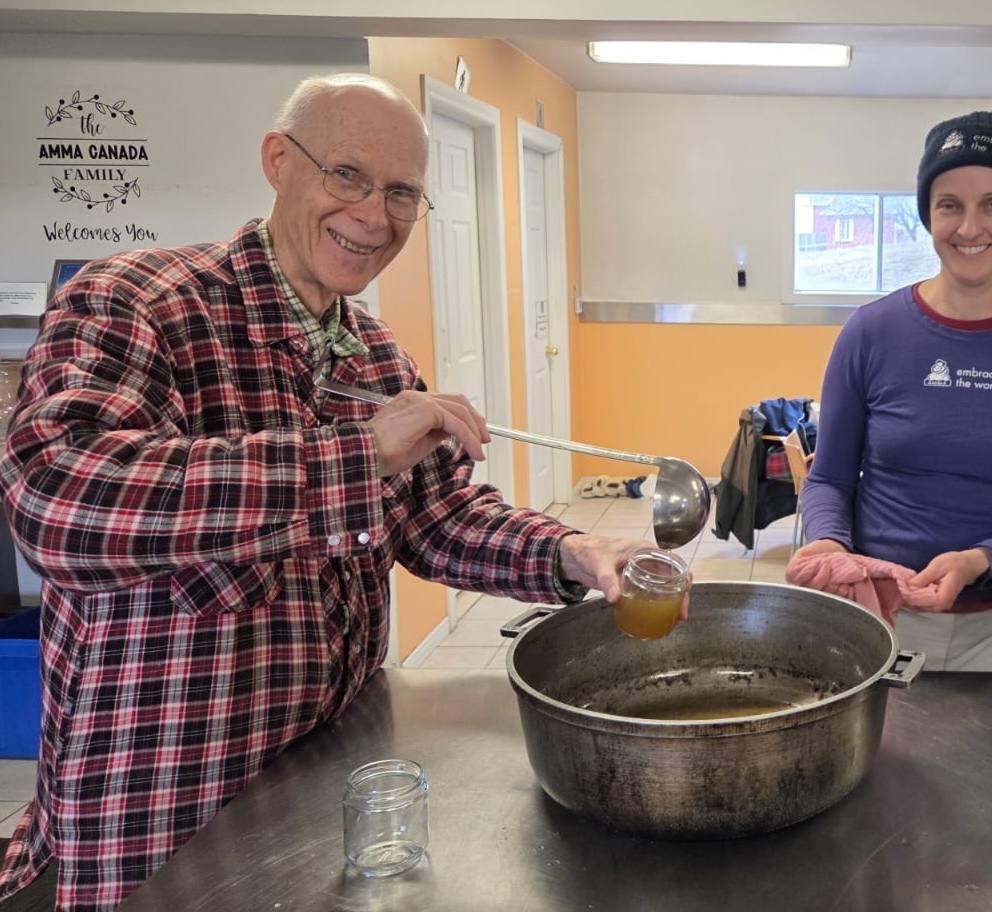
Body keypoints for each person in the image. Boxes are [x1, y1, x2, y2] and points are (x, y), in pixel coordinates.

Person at [0, 74, 656, 912]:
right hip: (162, 807)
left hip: (327, 775)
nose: (374, 216)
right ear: (279, 161)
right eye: (347, 175)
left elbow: (436, 518)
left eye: (401, 193)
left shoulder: (376, 354)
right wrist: (356, 454)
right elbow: (57, 501)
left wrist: (571, 550)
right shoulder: (135, 301)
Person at [788, 111, 992, 673]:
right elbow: (830, 479)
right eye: (949, 205)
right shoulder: (870, 332)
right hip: (880, 616)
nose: (969, 227)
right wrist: (831, 543)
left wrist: (983, 559)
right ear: (928, 215)